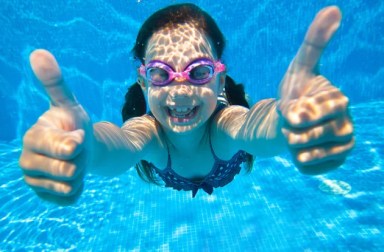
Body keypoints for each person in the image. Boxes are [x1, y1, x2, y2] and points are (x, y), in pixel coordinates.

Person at [19, 3, 354, 205]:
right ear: (144, 82)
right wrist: (85, 146)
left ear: (219, 80)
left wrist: (288, 120)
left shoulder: (224, 127)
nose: (179, 91)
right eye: (161, 74)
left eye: (199, 71)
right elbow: (118, 144)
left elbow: (254, 125)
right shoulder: (150, 136)